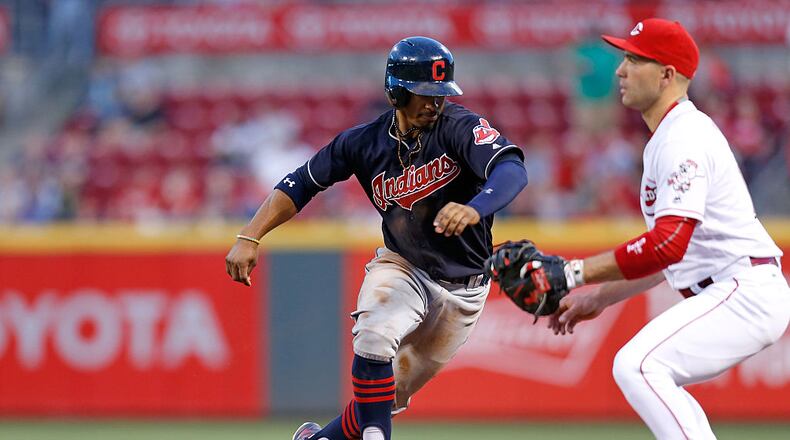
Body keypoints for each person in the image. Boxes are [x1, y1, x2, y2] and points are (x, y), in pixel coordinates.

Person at [224, 36, 528, 440]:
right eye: (423, 93)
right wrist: (251, 235)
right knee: (374, 334)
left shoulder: (459, 126)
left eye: (441, 93)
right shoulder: (362, 143)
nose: (434, 102)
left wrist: (478, 206)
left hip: (466, 288)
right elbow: (300, 184)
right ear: (396, 91)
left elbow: (511, 168)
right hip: (404, 266)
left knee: (385, 399)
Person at [523, 19, 788, 439]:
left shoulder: (682, 138)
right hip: (734, 286)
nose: (619, 70)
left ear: (667, 74)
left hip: (744, 290)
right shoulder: (669, 136)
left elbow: (666, 245)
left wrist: (572, 273)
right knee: (646, 367)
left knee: (640, 365)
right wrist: (600, 295)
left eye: (634, 59)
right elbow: (671, 252)